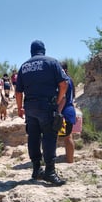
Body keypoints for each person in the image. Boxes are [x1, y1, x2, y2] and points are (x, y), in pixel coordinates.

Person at [16, 40, 68, 186]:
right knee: (49, 137)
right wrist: (58, 101)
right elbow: (64, 84)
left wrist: (20, 108)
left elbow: (18, 91)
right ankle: (50, 172)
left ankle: (36, 170)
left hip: (30, 108)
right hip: (46, 105)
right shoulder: (52, 62)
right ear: (43, 50)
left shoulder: (24, 66)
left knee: (33, 137)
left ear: (31, 51)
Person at [59, 61, 76, 163]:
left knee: (67, 137)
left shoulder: (63, 80)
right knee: (68, 136)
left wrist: (58, 112)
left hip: (64, 111)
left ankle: (69, 161)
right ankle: (69, 159)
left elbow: (63, 98)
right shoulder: (70, 80)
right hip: (69, 110)